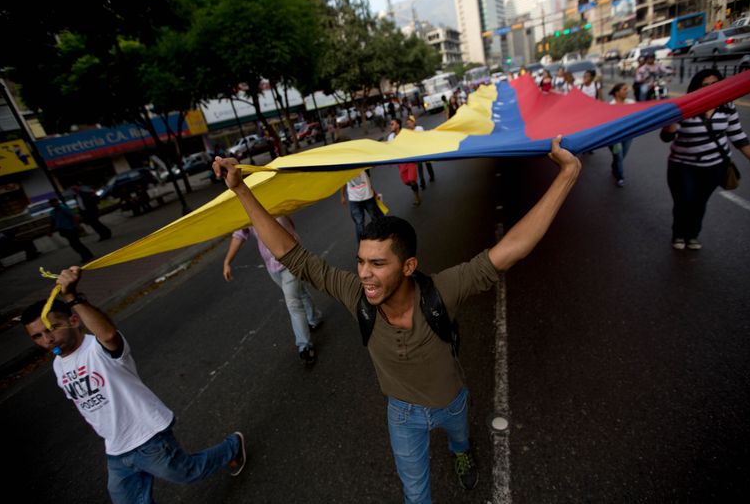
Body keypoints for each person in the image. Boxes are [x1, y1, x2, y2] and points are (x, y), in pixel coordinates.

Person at [212, 134, 580, 504]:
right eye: (360, 261)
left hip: (452, 401)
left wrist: (567, 173)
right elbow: (293, 255)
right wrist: (241, 188)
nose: (364, 274)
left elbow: (512, 249)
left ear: (408, 266)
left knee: (460, 440)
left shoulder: (443, 290)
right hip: (402, 416)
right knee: (415, 495)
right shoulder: (355, 294)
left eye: (377, 264)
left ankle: (461, 452)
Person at [21, 267, 246, 503]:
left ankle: (231, 447)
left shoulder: (97, 348)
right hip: (116, 448)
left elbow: (108, 335)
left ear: (74, 320)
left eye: (52, 328)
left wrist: (72, 297)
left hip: (147, 435)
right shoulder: (59, 365)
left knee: (184, 472)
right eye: (37, 336)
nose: (47, 339)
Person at [660, 69, 750, 250]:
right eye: (705, 85)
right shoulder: (685, 107)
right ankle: (678, 233)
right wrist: (670, 124)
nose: (711, 88)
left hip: (714, 166)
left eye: (715, 84)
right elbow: (666, 137)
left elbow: (737, 134)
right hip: (683, 166)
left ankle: (692, 235)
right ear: (697, 87)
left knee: (699, 202)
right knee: (684, 201)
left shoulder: (727, 106)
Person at [223, 216, 322, 366]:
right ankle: (314, 318)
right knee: (299, 292)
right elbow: (239, 234)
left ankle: (305, 347)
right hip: (272, 265)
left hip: (291, 260)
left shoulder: (272, 200)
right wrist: (227, 261)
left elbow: (288, 219)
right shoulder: (246, 211)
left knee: (293, 303)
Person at [340, 165, 385, 245]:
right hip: (354, 199)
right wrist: (342, 196)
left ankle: (379, 238)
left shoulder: (363, 164)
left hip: (368, 197)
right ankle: (362, 245)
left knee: (375, 218)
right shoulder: (345, 168)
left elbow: (372, 170)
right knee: (359, 223)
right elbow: (343, 182)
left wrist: (374, 192)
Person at [48, 198, 94, 263]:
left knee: (76, 244)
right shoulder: (52, 212)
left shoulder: (63, 209)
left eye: (54, 202)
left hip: (71, 228)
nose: (53, 204)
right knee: (75, 244)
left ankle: (86, 256)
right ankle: (88, 254)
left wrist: (78, 226)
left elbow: (73, 217)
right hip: (63, 230)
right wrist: (50, 231)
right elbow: (52, 222)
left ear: (57, 202)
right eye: (52, 203)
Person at [607, 83, 636, 187]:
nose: (627, 91)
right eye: (624, 89)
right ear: (617, 92)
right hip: (615, 137)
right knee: (619, 156)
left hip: (628, 135)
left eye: (627, 89)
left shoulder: (631, 103)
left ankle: (614, 166)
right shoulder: (611, 106)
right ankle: (620, 177)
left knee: (621, 156)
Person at [388, 118, 421, 207]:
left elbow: (413, 144)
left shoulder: (406, 134)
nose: (390, 126)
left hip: (410, 160)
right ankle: (415, 189)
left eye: (392, 124)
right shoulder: (391, 137)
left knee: (412, 180)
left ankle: (417, 197)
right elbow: (389, 149)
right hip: (401, 163)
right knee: (406, 182)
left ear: (398, 125)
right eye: (390, 124)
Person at [406, 115, 435, 190]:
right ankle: (422, 181)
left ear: (413, 122)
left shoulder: (419, 128)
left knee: (428, 163)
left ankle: (431, 175)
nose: (408, 125)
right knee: (419, 167)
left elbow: (424, 137)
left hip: (424, 149)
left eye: (410, 123)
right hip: (417, 152)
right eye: (407, 123)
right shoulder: (408, 132)